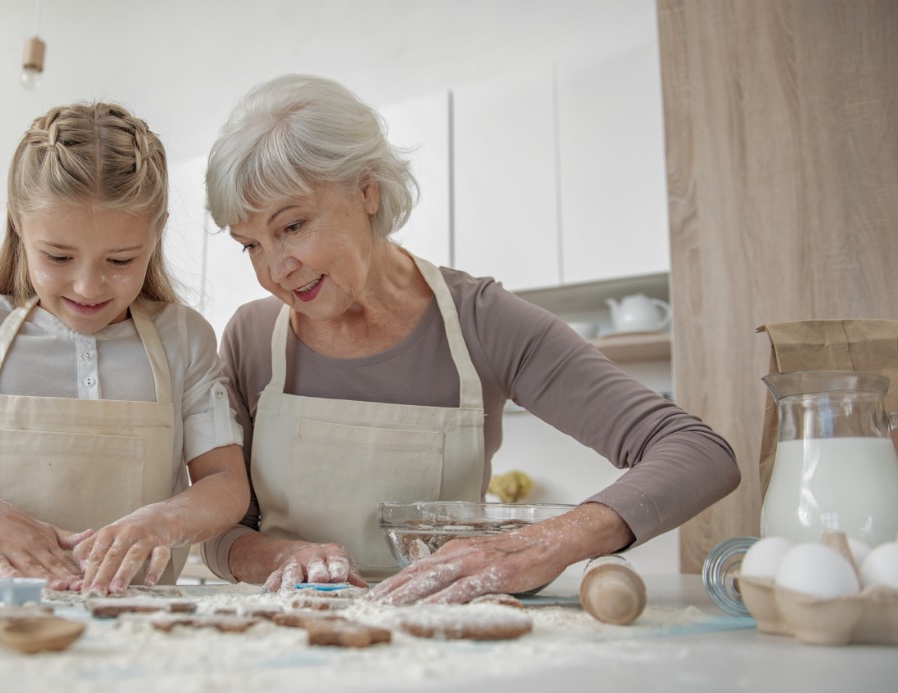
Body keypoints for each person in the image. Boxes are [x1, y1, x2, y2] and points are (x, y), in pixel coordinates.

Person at [198, 74, 740, 604]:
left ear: (366, 191)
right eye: (251, 245)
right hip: (293, 633)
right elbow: (224, 529)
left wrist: (546, 543)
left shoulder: (482, 320)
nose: (276, 269)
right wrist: (275, 558)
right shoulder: (251, 338)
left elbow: (697, 452)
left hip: (446, 633)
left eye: (292, 226)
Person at [0, 102, 249, 595]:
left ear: (156, 233)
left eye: (121, 259)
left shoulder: (183, 339)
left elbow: (226, 484)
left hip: (143, 628)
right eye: (58, 256)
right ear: (19, 225)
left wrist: (162, 521)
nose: (88, 286)